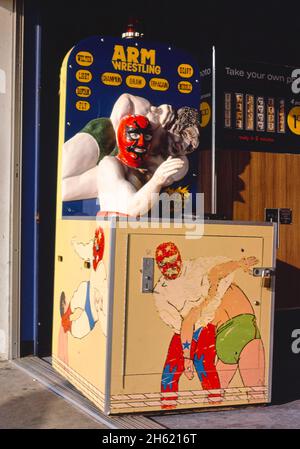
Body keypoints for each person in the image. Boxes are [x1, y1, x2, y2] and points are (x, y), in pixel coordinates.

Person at [153, 241, 263, 408]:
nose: (169, 268)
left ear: (180, 259)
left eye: (172, 262)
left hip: (206, 326)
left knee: (204, 365)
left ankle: (214, 403)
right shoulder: (161, 291)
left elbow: (218, 268)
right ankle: (167, 406)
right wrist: (186, 355)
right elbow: (185, 325)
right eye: (164, 264)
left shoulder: (198, 268)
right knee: (170, 372)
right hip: (186, 329)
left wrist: (239, 264)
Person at [61, 94, 200, 216]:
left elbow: (132, 204)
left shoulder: (172, 161)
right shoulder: (153, 117)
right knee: (59, 170)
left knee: (64, 190)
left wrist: (155, 177)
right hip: (106, 138)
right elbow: (126, 99)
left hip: (120, 167)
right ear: (169, 127)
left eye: (184, 148)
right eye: (177, 141)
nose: (178, 147)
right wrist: (119, 138)